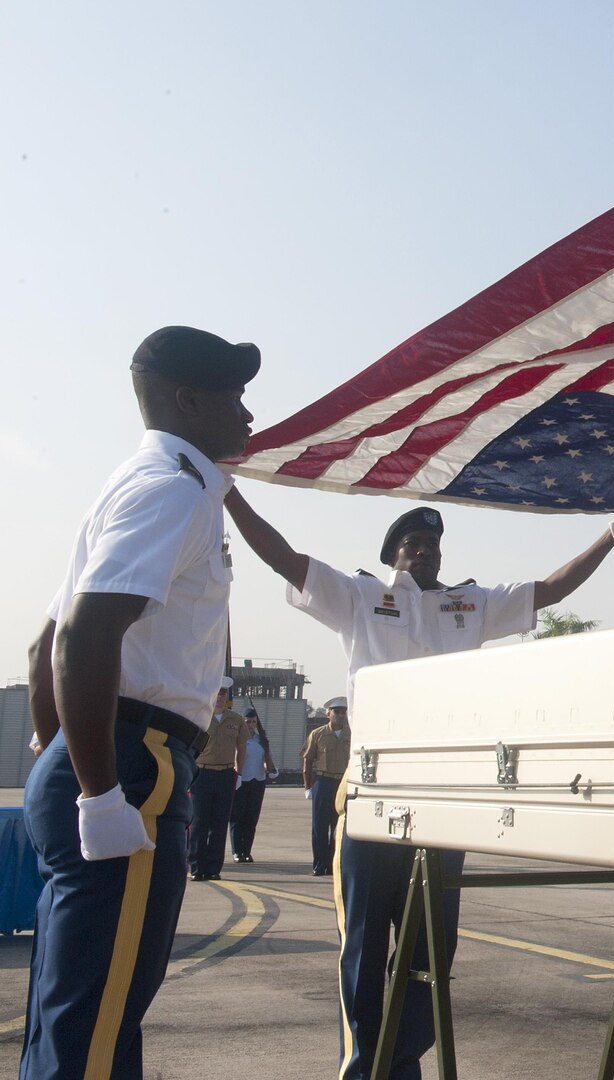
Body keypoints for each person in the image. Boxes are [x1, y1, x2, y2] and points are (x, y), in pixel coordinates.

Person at [226, 493, 614, 1080]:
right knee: (366, 942)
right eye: (413, 545)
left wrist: (610, 535)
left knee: (431, 948)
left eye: (433, 545)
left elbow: (547, 592)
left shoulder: (469, 604)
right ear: (393, 556)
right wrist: (229, 493)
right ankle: (363, 1065)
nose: (425, 551)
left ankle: (404, 1064)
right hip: (375, 794)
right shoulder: (362, 595)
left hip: (443, 801)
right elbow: (285, 559)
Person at [20, 325, 258, 1079]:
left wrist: (62, 759)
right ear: (188, 400)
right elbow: (82, 640)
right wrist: (99, 791)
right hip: (134, 760)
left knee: (85, 1015)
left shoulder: (135, 484)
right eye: (234, 397)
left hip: (109, 753)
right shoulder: (170, 492)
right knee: (93, 1029)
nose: (249, 415)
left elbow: (41, 652)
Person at [189, 679, 248, 881]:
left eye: (224, 693)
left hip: (225, 774)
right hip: (202, 773)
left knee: (219, 822)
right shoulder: (200, 717)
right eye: (218, 693)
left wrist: (239, 773)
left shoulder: (236, 720)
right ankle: (197, 866)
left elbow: (242, 748)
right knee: (199, 822)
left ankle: (213, 867)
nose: (221, 697)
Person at [302, 699, 350, 876]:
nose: (339, 715)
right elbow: (307, 761)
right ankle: (320, 864)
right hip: (323, 781)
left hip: (342, 784)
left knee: (339, 828)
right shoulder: (318, 734)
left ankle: (333, 865)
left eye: (343, 712)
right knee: (319, 828)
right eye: (336, 712)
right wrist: (308, 787)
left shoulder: (351, 735)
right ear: (328, 713)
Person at [230, 706, 276, 863]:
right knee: (237, 817)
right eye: (247, 721)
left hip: (257, 781)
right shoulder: (237, 739)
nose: (250, 725)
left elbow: (269, 764)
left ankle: (247, 851)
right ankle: (237, 851)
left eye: (253, 722)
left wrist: (269, 764)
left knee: (251, 818)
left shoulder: (261, 741)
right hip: (240, 781)